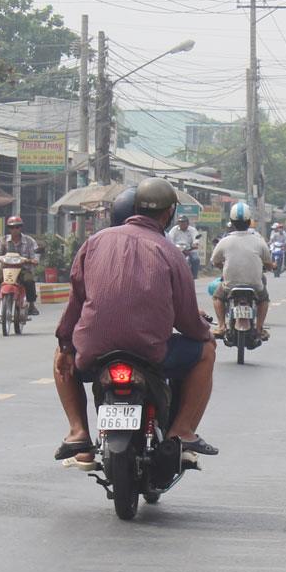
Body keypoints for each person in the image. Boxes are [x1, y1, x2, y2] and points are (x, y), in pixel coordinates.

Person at [52, 178, 219, 463]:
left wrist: (66, 344)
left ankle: (78, 432)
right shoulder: (170, 252)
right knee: (206, 352)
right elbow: (187, 319)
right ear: (168, 214)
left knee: (60, 357)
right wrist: (205, 332)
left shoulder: (94, 243)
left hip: (93, 353)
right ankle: (182, 431)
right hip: (151, 352)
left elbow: (75, 303)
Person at [211, 204, 274, 339]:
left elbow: (215, 261)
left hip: (230, 284)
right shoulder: (259, 241)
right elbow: (268, 264)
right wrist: (271, 266)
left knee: (218, 297)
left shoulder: (224, 241)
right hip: (254, 285)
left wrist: (223, 268)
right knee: (264, 300)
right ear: (248, 222)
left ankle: (222, 326)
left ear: (232, 223)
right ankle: (258, 329)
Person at [0, 216, 39, 317]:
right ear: (9, 229)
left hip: (23, 269)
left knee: (29, 281)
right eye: (12, 227)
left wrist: (33, 260)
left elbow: (35, 254)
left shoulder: (29, 241)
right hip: (6, 268)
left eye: (17, 227)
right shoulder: (2, 241)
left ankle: (32, 305)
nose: (15, 230)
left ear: (21, 228)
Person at [167, 214, 202, 280]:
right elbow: (170, 238)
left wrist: (195, 244)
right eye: (180, 222)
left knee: (196, 259)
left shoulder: (192, 230)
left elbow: (196, 239)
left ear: (187, 223)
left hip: (188, 250)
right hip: (176, 250)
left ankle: (194, 276)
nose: (182, 224)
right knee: (167, 259)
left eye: (183, 222)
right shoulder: (174, 229)